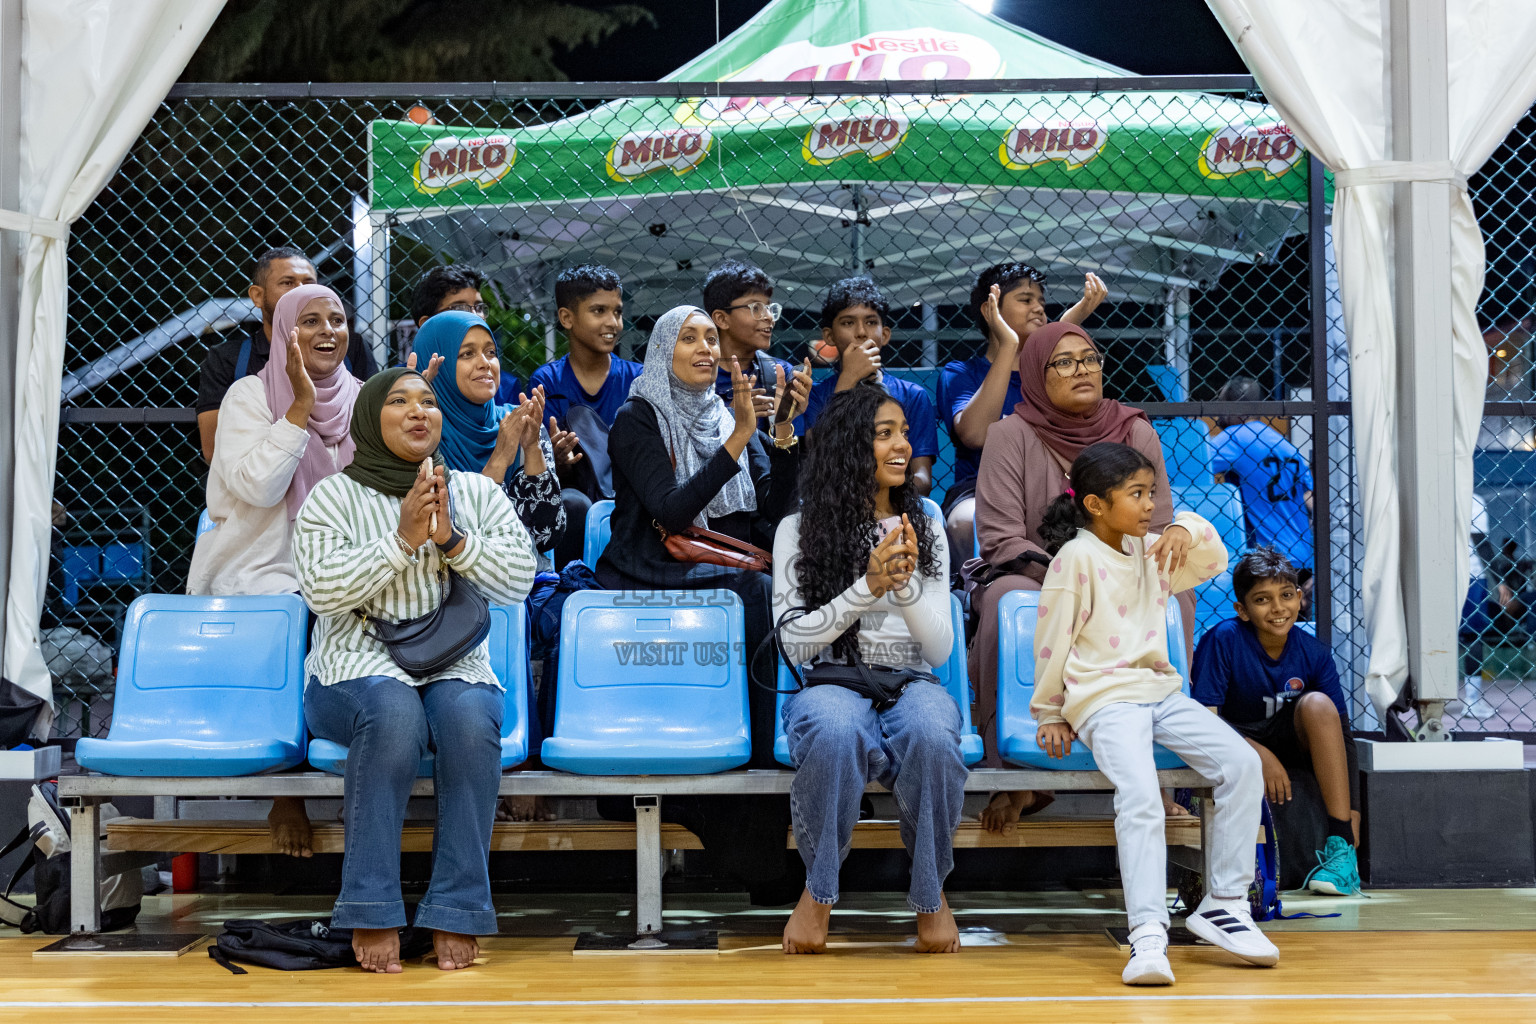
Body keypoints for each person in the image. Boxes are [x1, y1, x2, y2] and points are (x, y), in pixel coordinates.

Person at [293, 367, 537, 974]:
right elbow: (322, 593)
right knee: (394, 713)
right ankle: (372, 908)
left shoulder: (476, 493)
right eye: (399, 401)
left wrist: (454, 541)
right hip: (351, 670)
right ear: (371, 417)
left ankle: (457, 909)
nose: (418, 411)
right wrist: (400, 541)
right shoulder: (333, 495)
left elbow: (518, 581)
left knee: (470, 717)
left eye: (428, 401)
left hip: (454, 665)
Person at [1032, 441, 1275, 985]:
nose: (1149, 504)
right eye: (1137, 494)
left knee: (1241, 765)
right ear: (1096, 504)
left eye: (1152, 493)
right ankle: (1147, 934)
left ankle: (1224, 905)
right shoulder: (1075, 557)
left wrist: (1184, 526)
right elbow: (1052, 639)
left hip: (1160, 693)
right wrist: (1049, 710)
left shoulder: (1153, 550)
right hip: (1102, 698)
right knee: (1140, 796)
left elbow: (1213, 558)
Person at [597, 305, 805, 899]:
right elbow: (670, 510)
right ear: (664, 349)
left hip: (729, 565)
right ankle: (760, 768)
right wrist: (741, 437)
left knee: (787, 583)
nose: (705, 348)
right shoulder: (637, 417)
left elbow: (772, 516)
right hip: (651, 566)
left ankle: (781, 775)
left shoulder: (724, 415)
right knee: (757, 593)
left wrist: (782, 436)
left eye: (711, 339)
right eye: (688, 338)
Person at [970, 307, 1192, 831]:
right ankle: (1016, 777)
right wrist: (1074, 577)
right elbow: (1002, 535)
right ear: (1036, 376)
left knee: (1177, 601)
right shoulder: (1011, 435)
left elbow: (1156, 523)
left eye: (1088, 359)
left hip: (1127, 573)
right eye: (1064, 364)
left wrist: (1110, 576)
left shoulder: (1133, 430)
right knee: (1004, 600)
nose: (1082, 371)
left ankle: (1164, 774)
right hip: (1037, 571)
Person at [775, 382, 965, 954]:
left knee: (933, 733)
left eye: (903, 432)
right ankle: (819, 892)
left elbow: (938, 652)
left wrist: (903, 588)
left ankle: (931, 895)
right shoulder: (799, 530)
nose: (902, 445)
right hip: (832, 678)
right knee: (832, 732)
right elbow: (795, 646)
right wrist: (868, 586)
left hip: (911, 679)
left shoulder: (927, 525)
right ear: (850, 450)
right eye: (884, 434)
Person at [412, 310, 565, 822]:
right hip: (442, 582)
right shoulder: (422, 436)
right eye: (467, 354)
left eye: (491, 352)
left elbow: (544, 533)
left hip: (515, 582)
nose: (486, 364)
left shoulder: (512, 418)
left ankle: (528, 771)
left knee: (543, 611)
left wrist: (531, 450)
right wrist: (498, 461)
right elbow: (446, 534)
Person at [1192, 548, 1362, 896]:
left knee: (1317, 704)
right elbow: (1204, 721)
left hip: (1290, 741)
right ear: (1241, 609)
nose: (1278, 608)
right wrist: (1258, 755)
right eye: (1262, 599)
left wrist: (1353, 813)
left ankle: (1341, 852)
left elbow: (1342, 735)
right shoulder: (1222, 641)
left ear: (1300, 598)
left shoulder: (1314, 652)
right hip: (1232, 742)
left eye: (1286, 595)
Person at [938, 262, 1105, 556]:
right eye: (1026, 300)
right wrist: (1008, 346)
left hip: (1051, 486)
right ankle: (973, 593)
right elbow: (975, 435)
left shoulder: (1053, 374)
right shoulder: (961, 373)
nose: (1040, 308)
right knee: (965, 521)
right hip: (979, 488)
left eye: (1041, 301)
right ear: (991, 309)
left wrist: (1064, 329)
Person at [196, 247, 377, 462]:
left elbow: (375, 431)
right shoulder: (229, 359)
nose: (300, 291)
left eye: (308, 283)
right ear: (257, 296)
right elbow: (215, 450)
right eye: (287, 283)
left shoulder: (350, 347)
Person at [529, 264, 639, 567]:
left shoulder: (637, 379)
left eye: (617, 311)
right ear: (567, 318)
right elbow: (536, 465)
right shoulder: (547, 382)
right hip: (575, 494)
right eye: (599, 310)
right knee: (572, 504)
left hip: (630, 491)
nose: (613, 322)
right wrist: (557, 462)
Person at [801, 276, 939, 496]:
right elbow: (820, 455)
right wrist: (849, 378)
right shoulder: (815, 395)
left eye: (871, 322)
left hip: (895, 501)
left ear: (884, 335)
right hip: (832, 502)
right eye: (848, 323)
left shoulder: (912, 395)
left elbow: (922, 479)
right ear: (829, 336)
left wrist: (880, 499)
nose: (861, 332)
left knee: (931, 512)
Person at [1210, 377, 1315, 574]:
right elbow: (1309, 499)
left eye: (1221, 404)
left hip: (1266, 559)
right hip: (1302, 557)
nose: (1217, 413)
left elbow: (1191, 463)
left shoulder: (1237, 437)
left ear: (1238, 409)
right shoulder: (1285, 445)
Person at [703, 259, 807, 430]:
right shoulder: (695, 375)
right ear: (721, 319)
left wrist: (784, 421)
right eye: (756, 308)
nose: (769, 317)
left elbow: (790, 453)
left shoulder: (781, 374)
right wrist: (731, 416)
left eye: (769, 308)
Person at [410, 265, 520, 403]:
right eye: (459, 308)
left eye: (479, 307)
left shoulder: (504, 387)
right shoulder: (399, 383)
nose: (475, 315)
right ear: (426, 323)